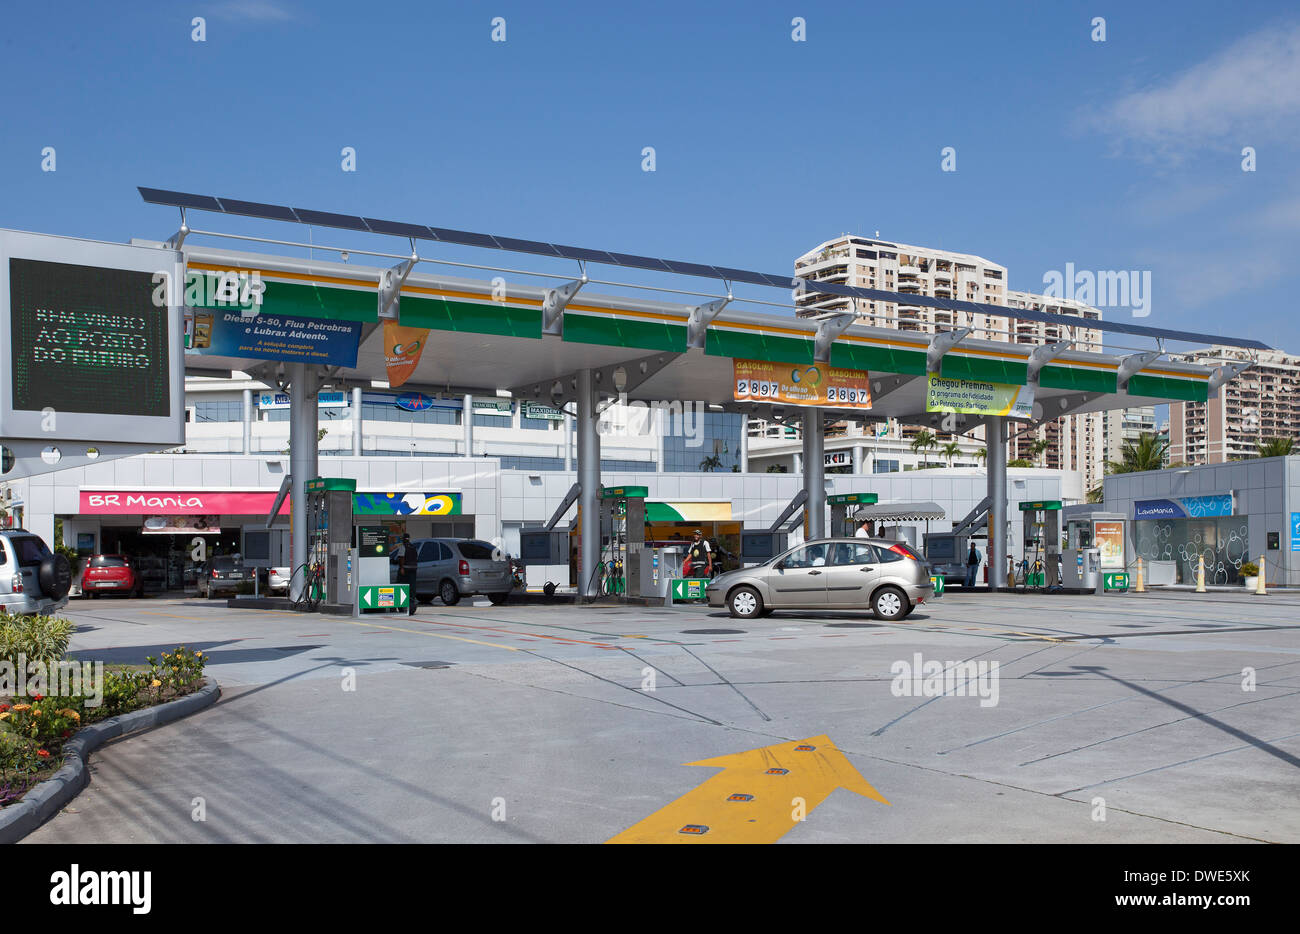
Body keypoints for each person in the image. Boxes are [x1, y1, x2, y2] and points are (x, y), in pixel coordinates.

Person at [399, 533, 419, 615]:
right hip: (413, 569)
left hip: (405, 570)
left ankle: (403, 606)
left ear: (403, 539)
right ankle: (412, 605)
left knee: (402, 587)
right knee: (412, 587)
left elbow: (401, 558)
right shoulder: (413, 547)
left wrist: (402, 568)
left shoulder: (403, 547)